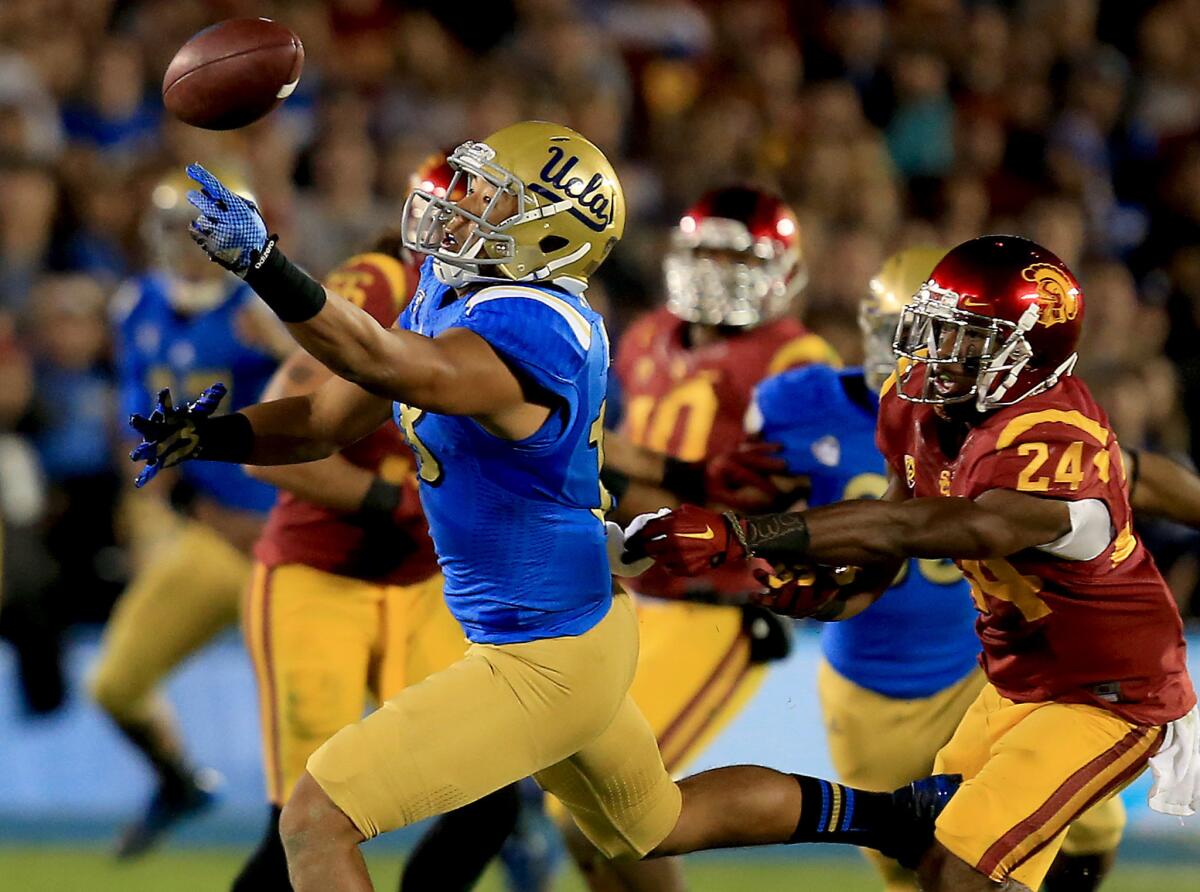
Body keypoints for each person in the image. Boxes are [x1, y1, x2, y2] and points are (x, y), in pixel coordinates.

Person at [127, 122, 962, 892]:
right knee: (656, 823)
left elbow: (398, 369)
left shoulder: (542, 325)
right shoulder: (451, 297)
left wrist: (267, 265)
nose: (460, 206)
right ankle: (888, 816)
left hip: (543, 655)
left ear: (552, 231)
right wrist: (217, 433)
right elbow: (320, 418)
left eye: (491, 198)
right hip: (570, 626)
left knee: (315, 822)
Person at [627, 236, 1199, 892]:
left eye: (963, 337)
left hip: (1111, 693)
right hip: (1016, 678)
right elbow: (898, 524)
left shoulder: (1054, 439)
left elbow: (941, 525)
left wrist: (746, 533)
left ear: (1027, 350)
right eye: (932, 328)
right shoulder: (921, 404)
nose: (934, 351)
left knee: (963, 868)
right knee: (933, 862)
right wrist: (842, 596)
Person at [575, 185, 837, 891]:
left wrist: (623, 477)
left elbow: (766, 501)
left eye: (735, 255)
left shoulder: (794, 359)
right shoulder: (645, 335)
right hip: (630, 591)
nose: (718, 270)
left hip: (715, 600)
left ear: (782, 268)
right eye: (705, 253)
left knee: (618, 807)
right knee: (580, 807)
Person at [93, 169, 285, 857]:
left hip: (287, 536)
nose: (182, 244)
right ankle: (177, 780)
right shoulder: (137, 305)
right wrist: (152, 515)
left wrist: (288, 339)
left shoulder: (260, 309)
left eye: (195, 229)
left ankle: (506, 818)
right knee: (115, 684)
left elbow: (330, 396)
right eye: (172, 228)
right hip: (207, 536)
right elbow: (130, 425)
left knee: (372, 696)